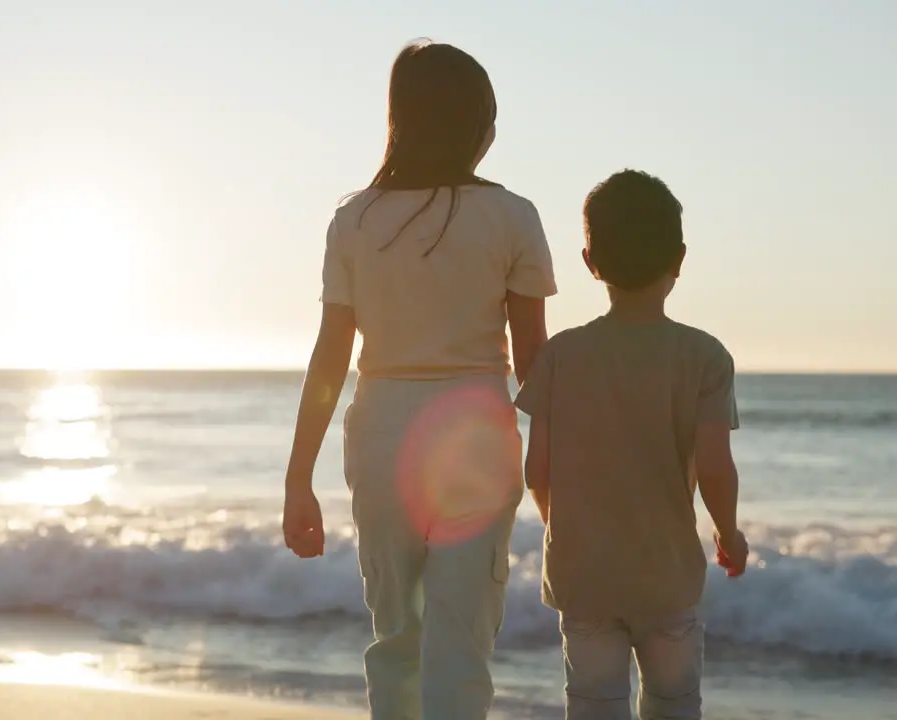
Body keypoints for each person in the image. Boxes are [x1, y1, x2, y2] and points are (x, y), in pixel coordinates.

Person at [281, 40, 557, 719]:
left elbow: (329, 358)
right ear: (478, 124)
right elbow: (535, 364)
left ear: (399, 119)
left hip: (380, 435)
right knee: (461, 646)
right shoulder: (513, 215)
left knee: (397, 639)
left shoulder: (355, 218)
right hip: (477, 438)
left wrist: (298, 479)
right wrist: (554, 471)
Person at [513, 169, 749, 720]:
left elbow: (537, 469)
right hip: (666, 577)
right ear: (680, 259)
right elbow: (715, 467)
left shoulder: (560, 357)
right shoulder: (705, 357)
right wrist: (728, 531)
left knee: (593, 707)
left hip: (583, 576)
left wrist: (558, 525)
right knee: (673, 704)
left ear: (591, 264)